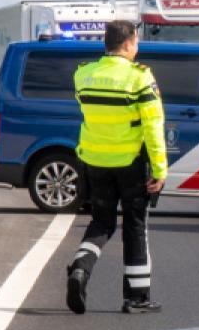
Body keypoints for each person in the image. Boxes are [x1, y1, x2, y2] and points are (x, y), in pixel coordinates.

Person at [65, 20, 167, 315]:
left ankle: (81, 268)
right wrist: (160, 170)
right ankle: (137, 297)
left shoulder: (84, 75)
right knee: (134, 227)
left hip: (94, 162)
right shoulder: (140, 78)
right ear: (128, 43)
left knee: (101, 222)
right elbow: (153, 127)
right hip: (130, 163)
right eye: (136, 42)